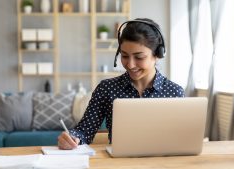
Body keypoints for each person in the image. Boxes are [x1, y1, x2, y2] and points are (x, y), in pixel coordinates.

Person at [58, 18, 185, 150]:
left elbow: (181, 139)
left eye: (139, 57)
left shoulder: (175, 92)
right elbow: (84, 131)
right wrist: (72, 137)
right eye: (124, 56)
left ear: (158, 55)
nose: (130, 64)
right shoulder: (106, 88)